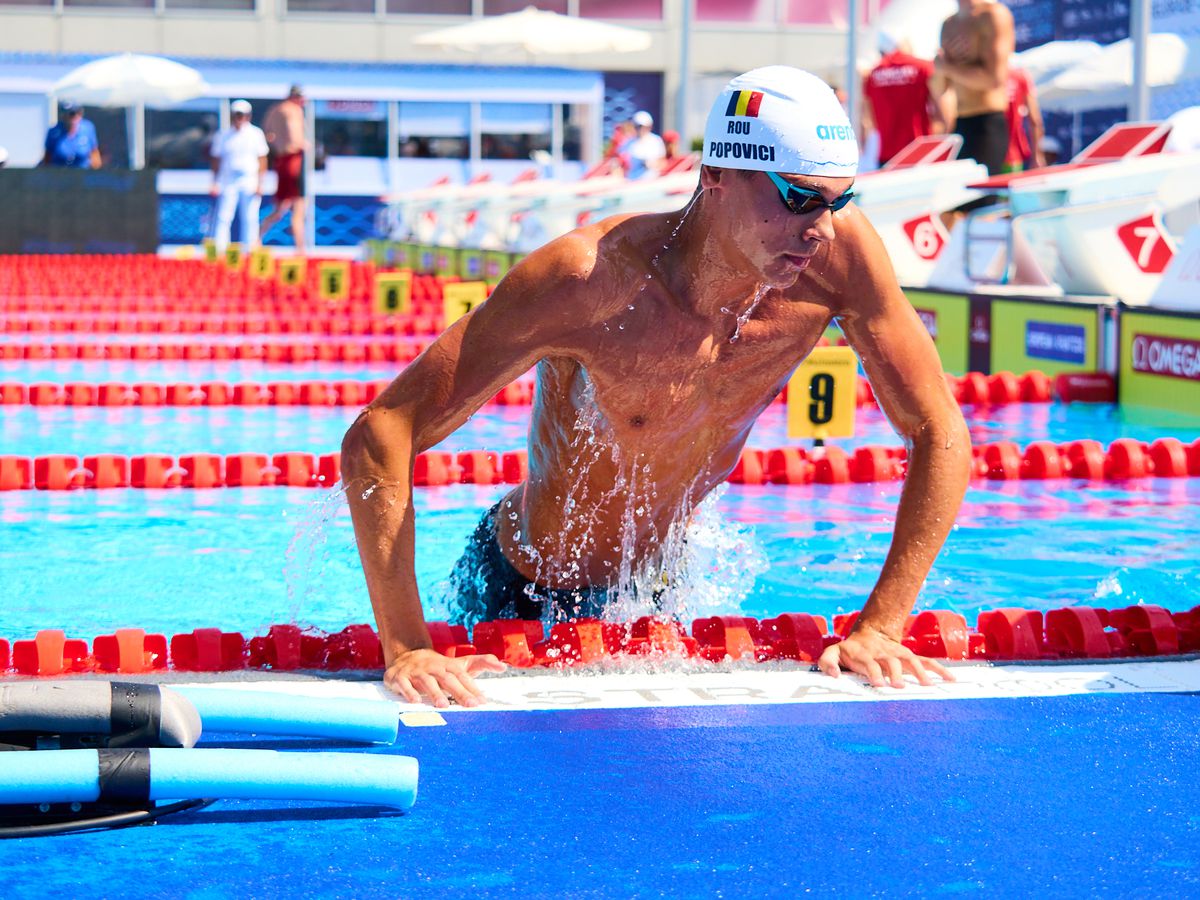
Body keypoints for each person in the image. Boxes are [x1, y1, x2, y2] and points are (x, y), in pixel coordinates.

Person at [341, 66, 971, 708]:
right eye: (802, 198)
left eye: (839, 201)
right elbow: (380, 433)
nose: (825, 228)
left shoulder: (838, 263)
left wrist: (882, 626)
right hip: (524, 585)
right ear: (717, 176)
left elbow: (938, 427)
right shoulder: (588, 281)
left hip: (658, 587)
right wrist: (408, 645)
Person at [935, 0, 1016, 175]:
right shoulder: (948, 24)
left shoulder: (992, 15)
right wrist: (941, 68)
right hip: (959, 124)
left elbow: (994, 80)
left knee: (982, 198)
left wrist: (948, 68)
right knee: (956, 199)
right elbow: (939, 88)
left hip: (987, 126)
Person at [862, 31, 947, 167]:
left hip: (887, 154)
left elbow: (868, 119)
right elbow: (944, 113)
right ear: (904, 44)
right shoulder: (923, 67)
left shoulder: (873, 74)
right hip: (920, 151)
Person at [209, 100, 270, 253]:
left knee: (250, 217)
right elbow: (217, 160)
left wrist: (260, 183)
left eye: (242, 115)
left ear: (248, 116)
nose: (239, 118)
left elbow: (262, 159)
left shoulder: (256, 134)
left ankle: (250, 251)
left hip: (249, 179)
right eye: (236, 115)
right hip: (228, 180)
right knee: (224, 216)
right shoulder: (223, 135)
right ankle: (220, 250)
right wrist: (215, 182)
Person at [260, 84, 309, 255]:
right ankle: (300, 250)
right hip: (294, 160)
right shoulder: (294, 111)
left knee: (279, 209)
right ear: (297, 98)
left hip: (281, 161)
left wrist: (278, 144)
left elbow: (268, 134)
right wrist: (306, 145)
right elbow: (295, 138)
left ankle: (256, 239)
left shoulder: (275, 110)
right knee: (299, 209)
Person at [1003, 65, 1045, 172]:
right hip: (1011, 155)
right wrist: (1037, 156)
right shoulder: (1020, 75)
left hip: (980, 150)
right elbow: (1035, 120)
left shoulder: (975, 73)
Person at [42, 102, 101, 169]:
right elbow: (47, 157)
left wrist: (96, 173)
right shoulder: (54, 132)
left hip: (82, 174)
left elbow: (94, 153)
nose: (72, 117)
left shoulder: (88, 128)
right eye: (69, 114)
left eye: (75, 113)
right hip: (59, 174)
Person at [621, 110, 666, 179]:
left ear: (649, 126)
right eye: (637, 126)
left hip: (650, 180)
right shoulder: (628, 143)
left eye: (642, 126)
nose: (640, 129)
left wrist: (651, 164)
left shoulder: (656, 141)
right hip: (632, 181)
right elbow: (620, 162)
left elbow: (663, 162)